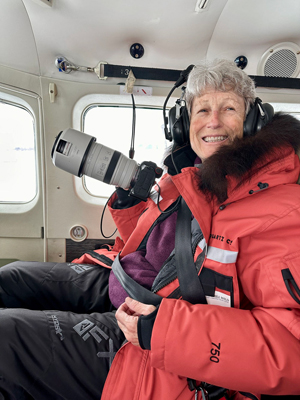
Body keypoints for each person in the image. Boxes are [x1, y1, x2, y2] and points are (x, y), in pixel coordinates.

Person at [0, 59, 300, 400]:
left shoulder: (285, 210)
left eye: (228, 107)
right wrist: (129, 206)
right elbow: (156, 243)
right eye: (201, 110)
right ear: (183, 124)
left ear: (252, 120)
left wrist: (167, 331)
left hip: (166, 345)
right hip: (126, 278)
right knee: (11, 276)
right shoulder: (190, 174)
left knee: (6, 338)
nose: (212, 121)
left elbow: (291, 347)